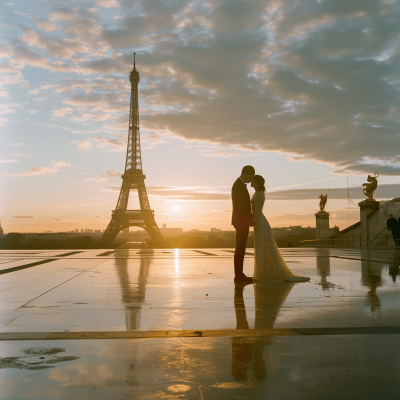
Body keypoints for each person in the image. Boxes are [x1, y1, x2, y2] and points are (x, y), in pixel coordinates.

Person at [250, 175, 310, 282]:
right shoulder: (258, 193)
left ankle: (264, 271)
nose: (251, 181)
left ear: (256, 182)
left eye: (252, 180)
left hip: (259, 222)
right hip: (259, 221)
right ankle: (263, 270)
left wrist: (251, 222)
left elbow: (257, 211)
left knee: (262, 245)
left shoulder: (259, 195)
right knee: (262, 245)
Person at [231, 165, 255, 283]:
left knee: (240, 248)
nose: (251, 180)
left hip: (240, 220)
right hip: (241, 220)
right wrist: (250, 219)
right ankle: (239, 275)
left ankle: (239, 274)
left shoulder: (238, 185)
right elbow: (242, 206)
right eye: (251, 177)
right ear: (246, 174)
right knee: (240, 248)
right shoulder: (239, 186)